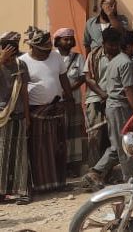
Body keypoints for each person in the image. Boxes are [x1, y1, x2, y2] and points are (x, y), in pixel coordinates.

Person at [83, 30, 133, 188]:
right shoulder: (126, 63)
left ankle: (96, 171)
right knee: (126, 144)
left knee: (117, 144)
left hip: (113, 106)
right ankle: (130, 179)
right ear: (129, 45)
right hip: (120, 107)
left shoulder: (115, 60)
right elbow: (129, 89)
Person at [19, 26, 72, 193]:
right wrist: (27, 117)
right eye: (43, 50)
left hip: (57, 109)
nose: (47, 52)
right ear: (33, 47)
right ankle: (42, 186)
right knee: (41, 152)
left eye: (48, 48)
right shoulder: (23, 62)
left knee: (59, 148)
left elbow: (63, 78)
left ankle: (59, 183)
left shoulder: (56, 56)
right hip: (37, 112)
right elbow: (22, 91)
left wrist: (69, 98)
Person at [0, 32, 32, 204]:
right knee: (1, 155)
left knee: (20, 155)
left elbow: (24, 92)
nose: (11, 48)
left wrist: (27, 117)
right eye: (7, 45)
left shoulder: (21, 64)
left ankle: (21, 191)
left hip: (18, 114)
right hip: (2, 116)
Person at [53, 28, 87, 177]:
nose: (68, 42)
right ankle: (59, 166)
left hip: (74, 101)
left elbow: (82, 78)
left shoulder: (78, 57)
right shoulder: (52, 57)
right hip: (57, 103)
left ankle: (72, 167)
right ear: (58, 41)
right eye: (65, 39)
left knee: (74, 135)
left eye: (70, 39)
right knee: (59, 135)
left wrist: (68, 90)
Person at [82, 34, 110, 171]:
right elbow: (88, 78)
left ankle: (107, 171)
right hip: (95, 99)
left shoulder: (120, 55)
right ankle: (93, 170)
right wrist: (102, 94)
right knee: (95, 137)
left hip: (114, 100)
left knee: (111, 137)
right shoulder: (93, 55)